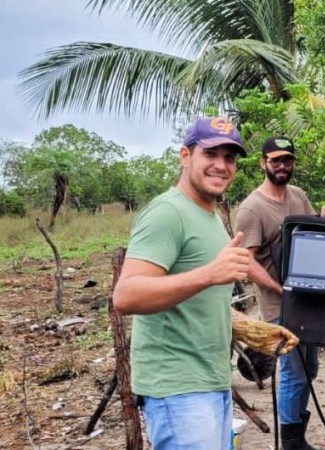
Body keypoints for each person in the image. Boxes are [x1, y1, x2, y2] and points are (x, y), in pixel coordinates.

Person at [113, 117, 258, 449]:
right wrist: (210, 273)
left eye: (230, 157)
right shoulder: (167, 213)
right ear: (185, 156)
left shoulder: (208, 215)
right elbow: (126, 294)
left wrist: (251, 329)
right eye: (211, 154)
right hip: (178, 390)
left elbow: (199, 299)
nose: (221, 166)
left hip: (211, 382)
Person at [235, 136, 325, 450]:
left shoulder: (297, 195)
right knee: (294, 372)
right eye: (275, 160)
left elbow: (310, 235)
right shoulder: (252, 208)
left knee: (311, 368)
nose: (282, 166)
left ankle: (298, 437)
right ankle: (291, 444)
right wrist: (275, 286)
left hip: (308, 300)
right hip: (279, 305)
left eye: (287, 160)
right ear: (263, 163)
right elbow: (245, 260)